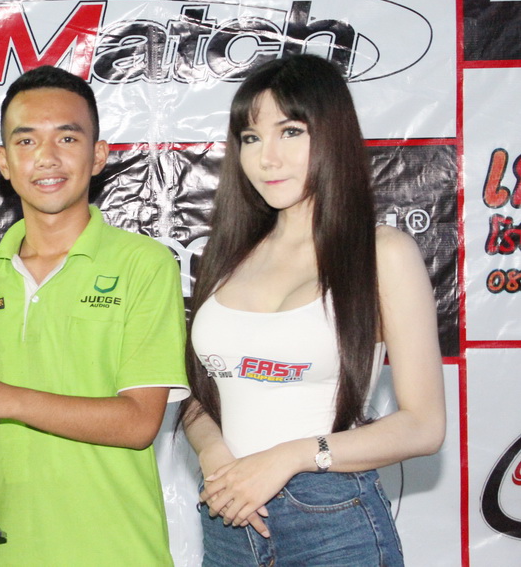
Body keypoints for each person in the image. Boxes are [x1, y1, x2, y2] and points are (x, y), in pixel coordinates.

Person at [0, 65, 189, 566]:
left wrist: (5, 398)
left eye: (67, 137)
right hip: (8, 554)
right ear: (4, 162)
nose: (47, 157)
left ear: (98, 155)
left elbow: (138, 423)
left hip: (118, 553)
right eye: (27, 141)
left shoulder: (143, 264)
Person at [181, 54, 445, 565]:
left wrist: (290, 457)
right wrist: (214, 453)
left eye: (290, 132)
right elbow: (199, 394)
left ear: (331, 135)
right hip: (227, 512)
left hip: (330, 518)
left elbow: (423, 424)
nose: (267, 157)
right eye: (251, 137)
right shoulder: (228, 253)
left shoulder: (381, 253)